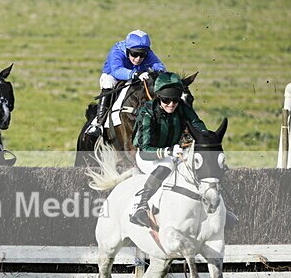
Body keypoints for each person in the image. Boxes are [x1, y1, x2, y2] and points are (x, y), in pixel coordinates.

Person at [129, 72, 208, 228]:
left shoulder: (183, 108)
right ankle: (140, 206)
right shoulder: (147, 111)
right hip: (148, 156)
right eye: (166, 100)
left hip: (175, 152)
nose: (171, 104)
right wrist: (167, 151)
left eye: (175, 100)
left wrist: (207, 138)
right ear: (158, 97)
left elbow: (197, 124)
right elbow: (144, 149)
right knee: (167, 164)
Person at [84, 29, 166, 138]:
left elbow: (159, 66)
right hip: (114, 77)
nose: (138, 59)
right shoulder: (117, 51)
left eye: (142, 55)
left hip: (136, 77)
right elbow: (117, 70)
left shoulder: (148, 53)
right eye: (134, 54)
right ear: (127, 50)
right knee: (108, 83)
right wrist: (135, 74)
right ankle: (98, 123)